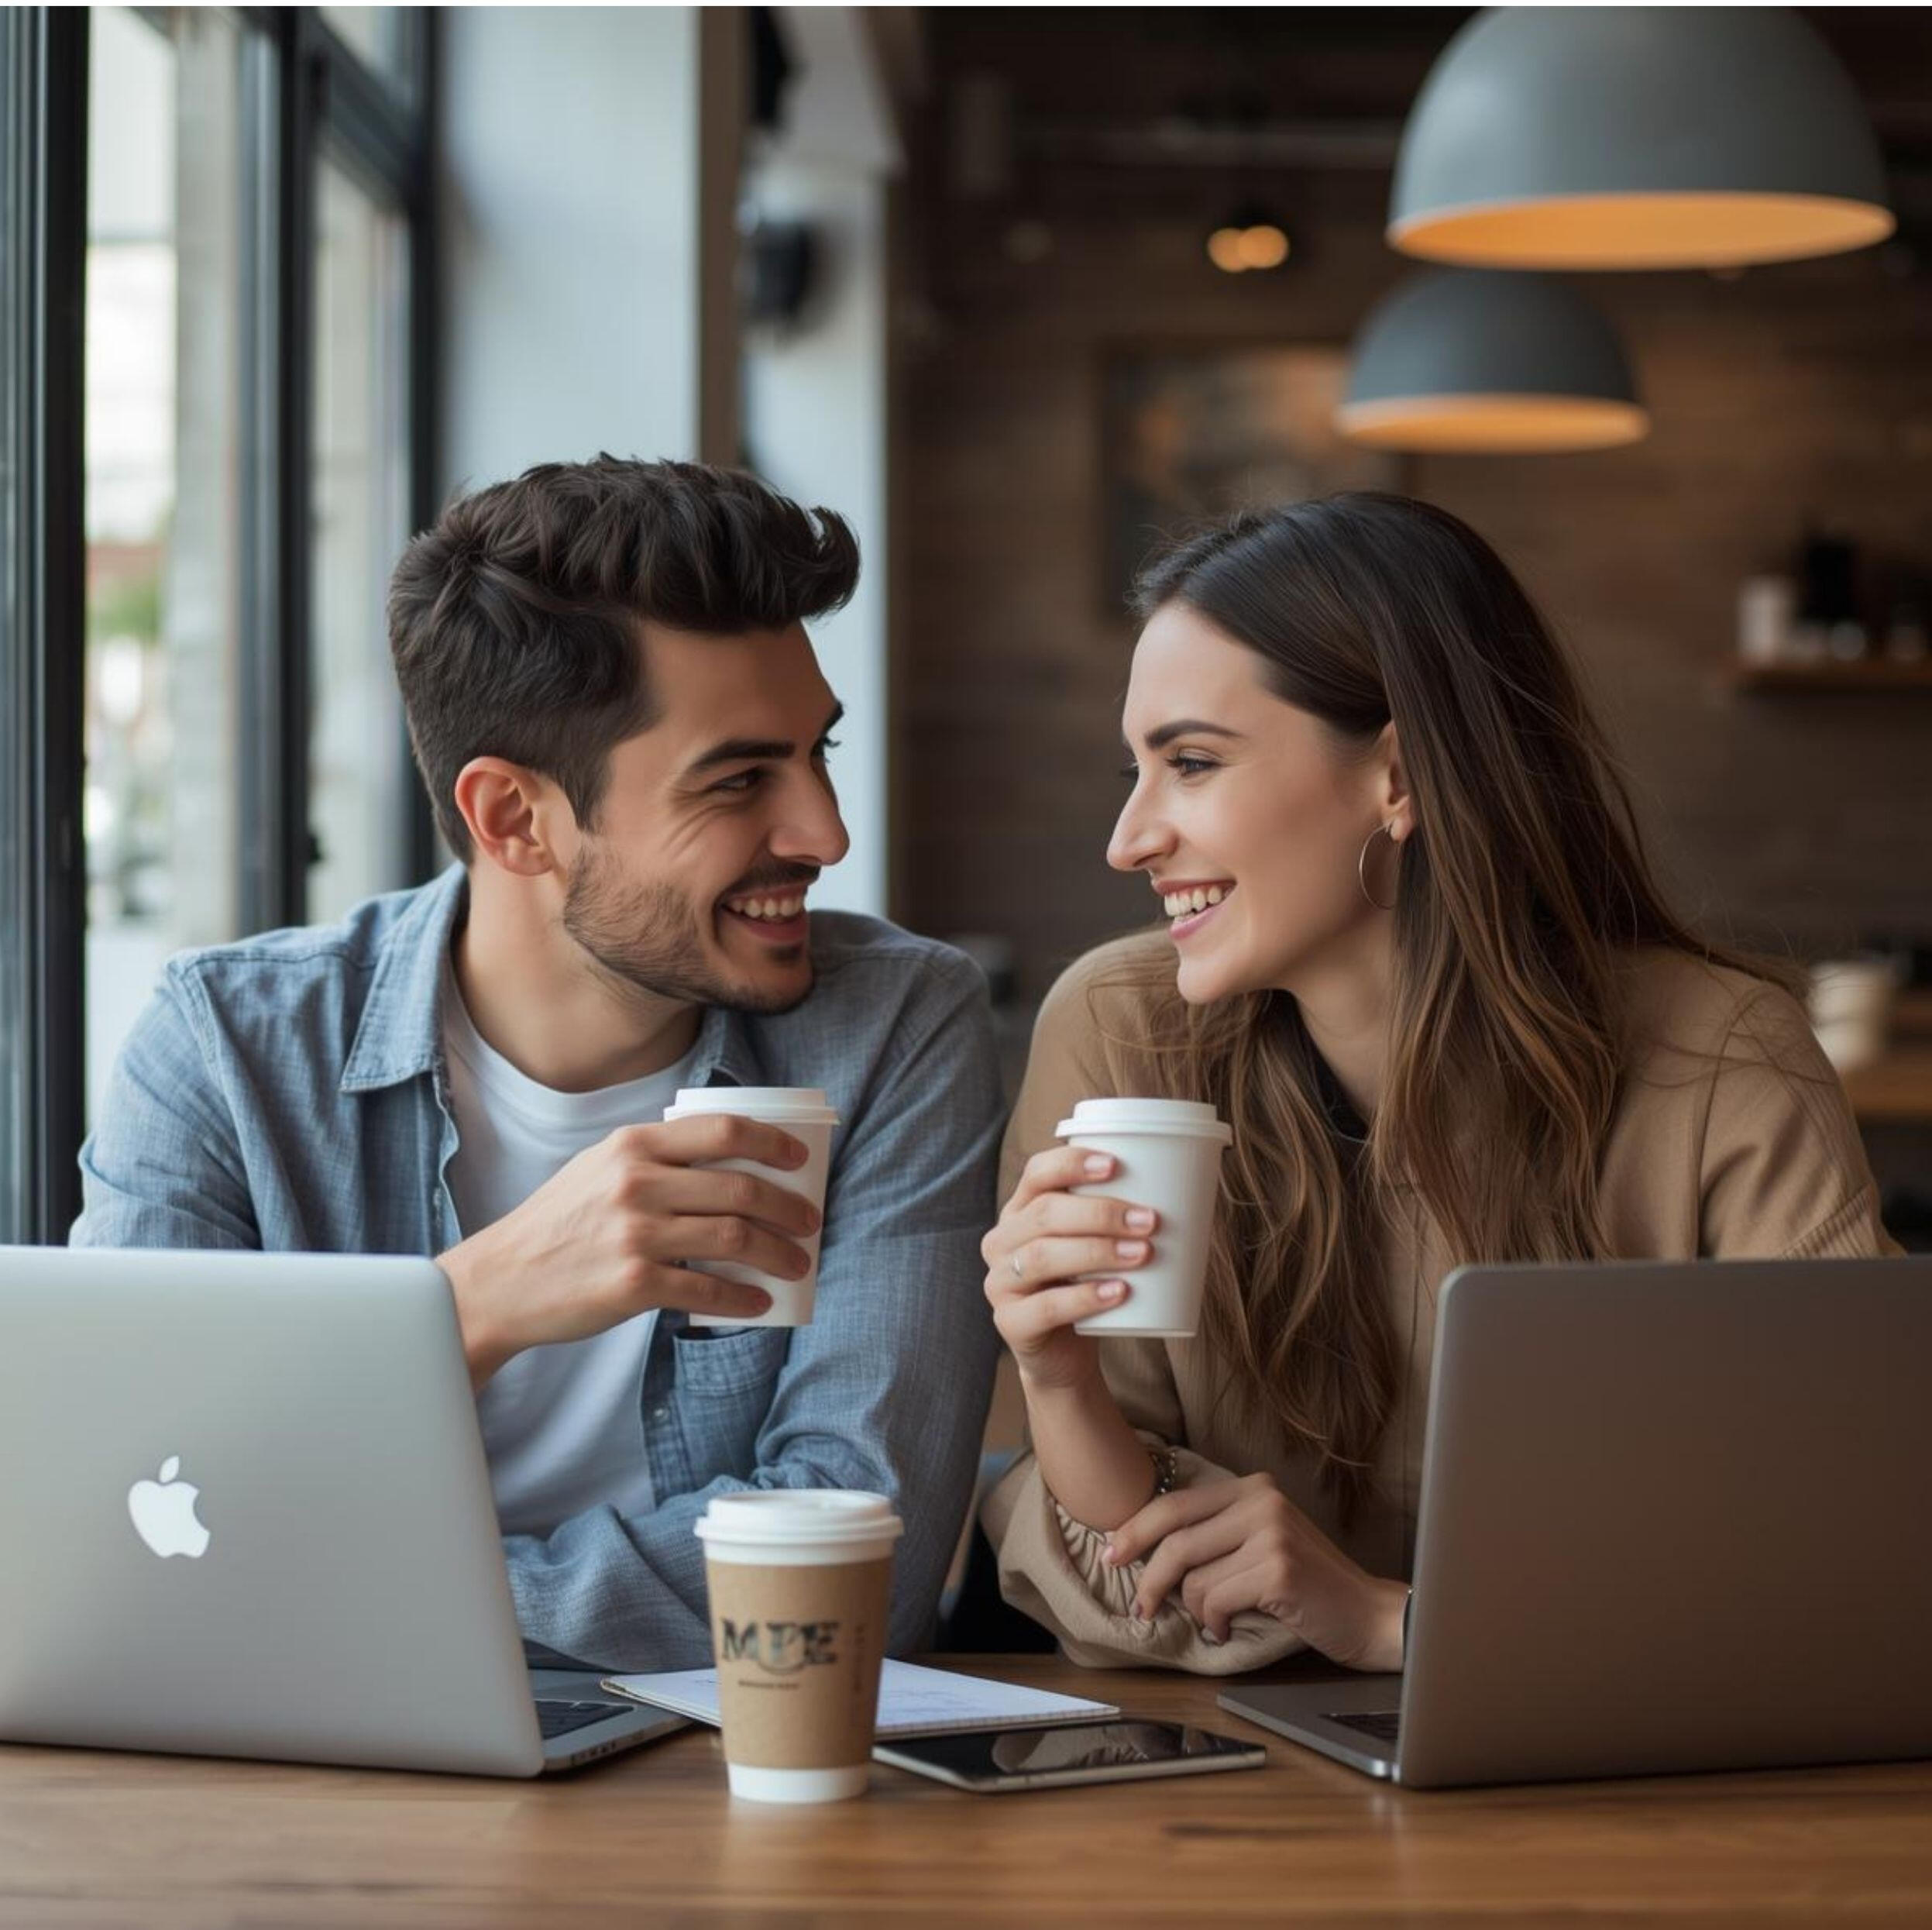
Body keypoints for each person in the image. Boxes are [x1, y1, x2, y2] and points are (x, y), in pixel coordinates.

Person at [72, 456, 1003, 1670]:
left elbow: (843, 1566)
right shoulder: (228, 1047)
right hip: (291, 1773)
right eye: (738, 781)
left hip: (727, 1781)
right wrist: (469, 1307)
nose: (824, 832)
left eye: (816, 753)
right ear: (513, 818)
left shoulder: (890, 1028)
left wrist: (326, 1607)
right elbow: (123, 1522)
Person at [981, 492, 1899, 1676]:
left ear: (1399, 778)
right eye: (1135, 772)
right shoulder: (1121, 1030)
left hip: (1634, 1788)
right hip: (1233, 1797)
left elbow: (1853, 1543)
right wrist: (1056, 1384)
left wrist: (1388, 1621)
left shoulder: (1721, 1061)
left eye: (1191, 765)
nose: (1128, 838)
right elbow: (1122, 1570)